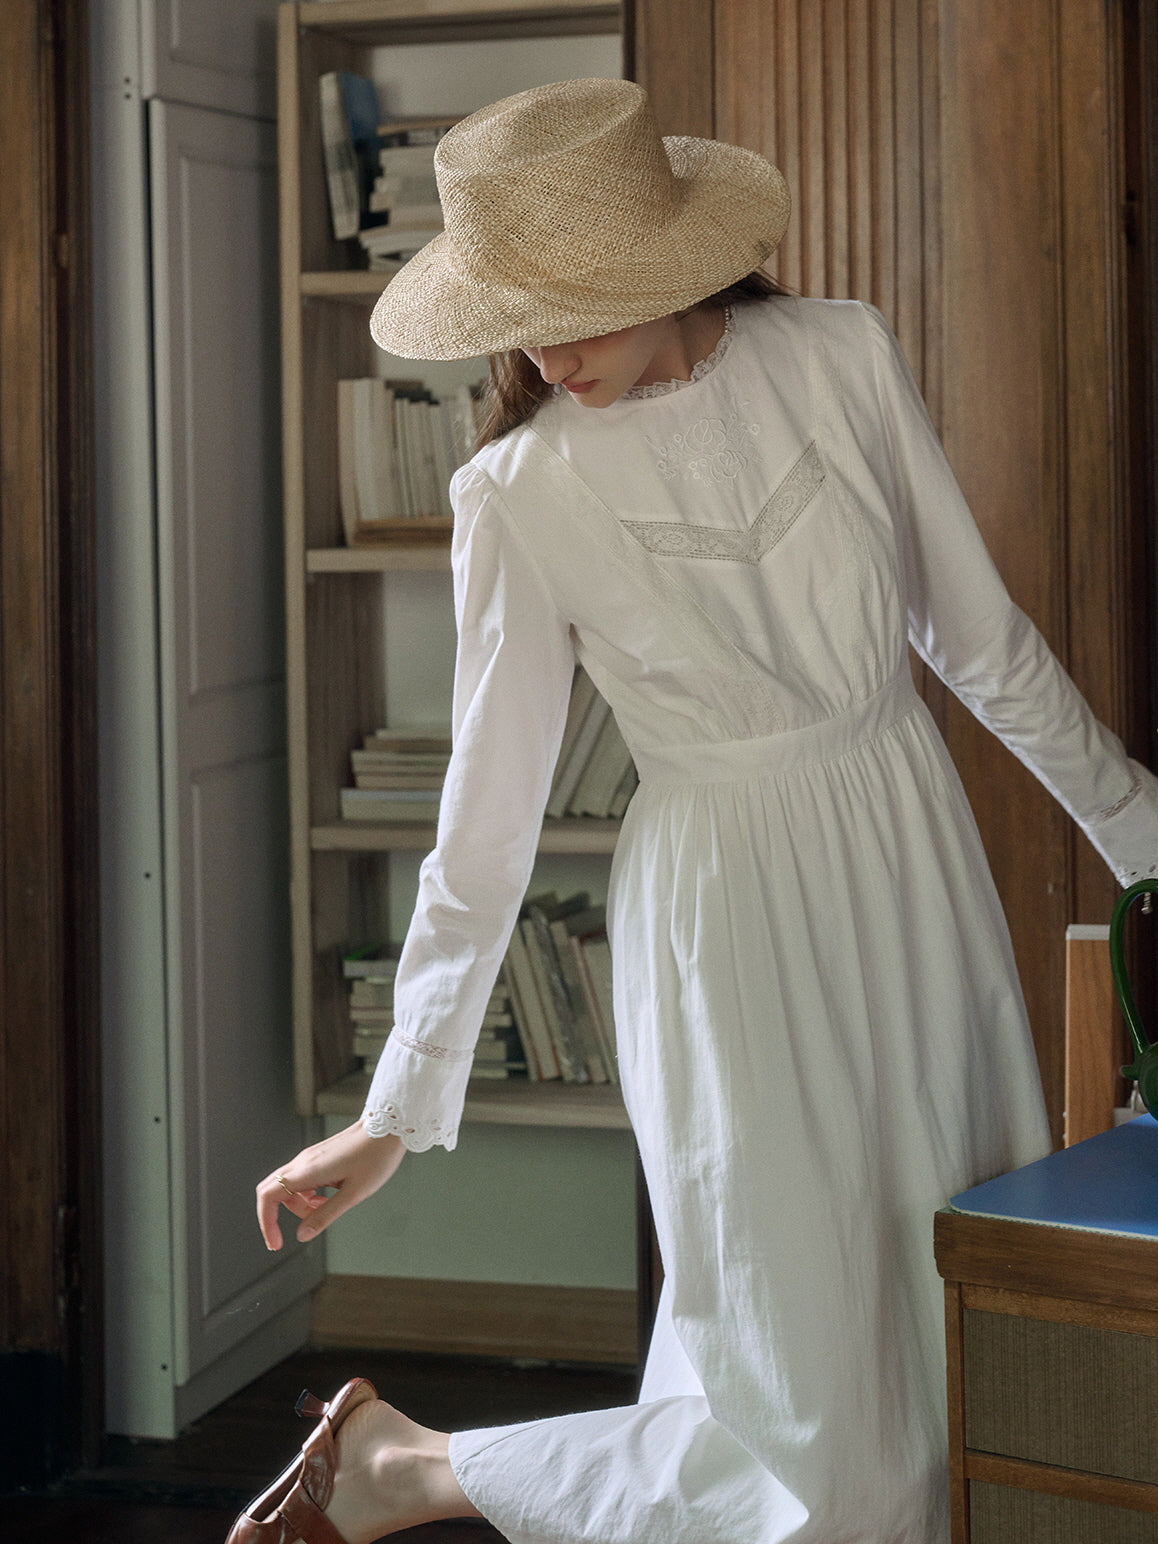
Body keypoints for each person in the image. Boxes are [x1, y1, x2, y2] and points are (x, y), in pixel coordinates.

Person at [229, 78, 1158, 1544]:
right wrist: (398, 1107)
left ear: (672, 268)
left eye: (578, 306)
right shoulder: (517, 491)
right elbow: (488, 813)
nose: (547, 352)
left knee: (940, 1344)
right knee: (799, 1423)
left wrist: (1145, 841)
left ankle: (404, 1467)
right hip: (719, 914)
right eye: (518, 320)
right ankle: (419, 1472)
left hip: (907, 855)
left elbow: (975, 644)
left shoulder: (840, 355)